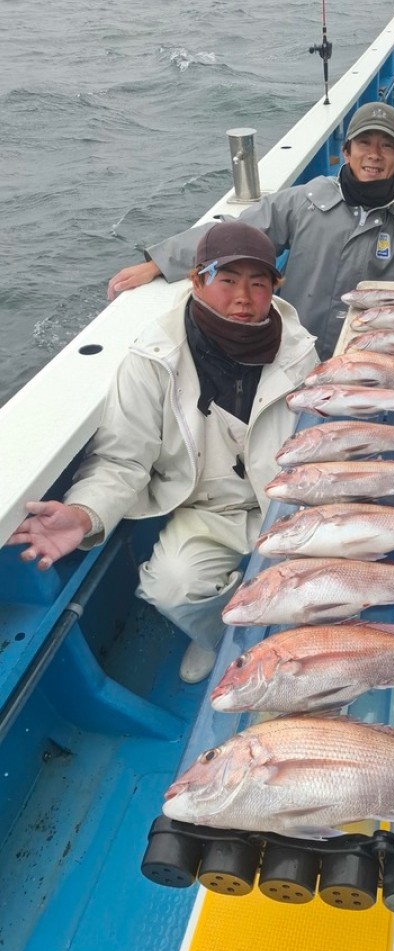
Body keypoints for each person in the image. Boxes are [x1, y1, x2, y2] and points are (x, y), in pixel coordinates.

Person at [8, 222, 319, 683]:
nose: (243, 297)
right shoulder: (151, 358)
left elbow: (317, 442)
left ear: (275, 287)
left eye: (258, 284)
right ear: (196, 280)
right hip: (209, 508)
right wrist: (84, 513)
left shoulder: (300, 350)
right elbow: (122, 457)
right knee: (171, 587)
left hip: (291, 501)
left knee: (333, 585)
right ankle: (220, 631)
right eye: (227, 279)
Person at [106, 101, 394, 358]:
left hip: (367, 370)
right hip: (287, 357)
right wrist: (160, 262)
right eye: (364, 143)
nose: (374, 155)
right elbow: (232, 236)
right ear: (346, 152)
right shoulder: (305, 201)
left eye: (387, 146)